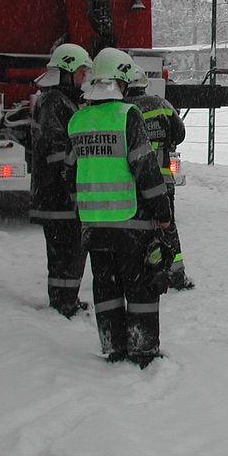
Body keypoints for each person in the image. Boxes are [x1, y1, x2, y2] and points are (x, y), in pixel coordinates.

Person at [67, 47, 173, 368]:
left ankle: (113, 346)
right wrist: (162, 211)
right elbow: (144, 168)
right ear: (120, 83)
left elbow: (69, 172)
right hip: (130, 221)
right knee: (139, 286)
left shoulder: (77, 120)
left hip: (94, 225)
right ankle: (142, 351)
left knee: (106, 285)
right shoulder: (127, 116)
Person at [30, 43, 91, 318]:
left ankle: (65, 299)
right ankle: (64, 303)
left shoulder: (57, 100)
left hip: (56, 194)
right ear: (66, 71)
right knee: (67, 252)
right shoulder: (54, 102)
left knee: (66, 253)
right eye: (81, 72)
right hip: (57, 195)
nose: (84, 78)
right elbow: (57, 149)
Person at [124, 63, 193, 290]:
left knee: (138, 229)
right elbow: (180, 133)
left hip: (136, 182)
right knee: (167, 226)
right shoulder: (162, 105)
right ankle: (175, 273)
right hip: (164, 180)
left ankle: (142, 271)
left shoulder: (123, 109)